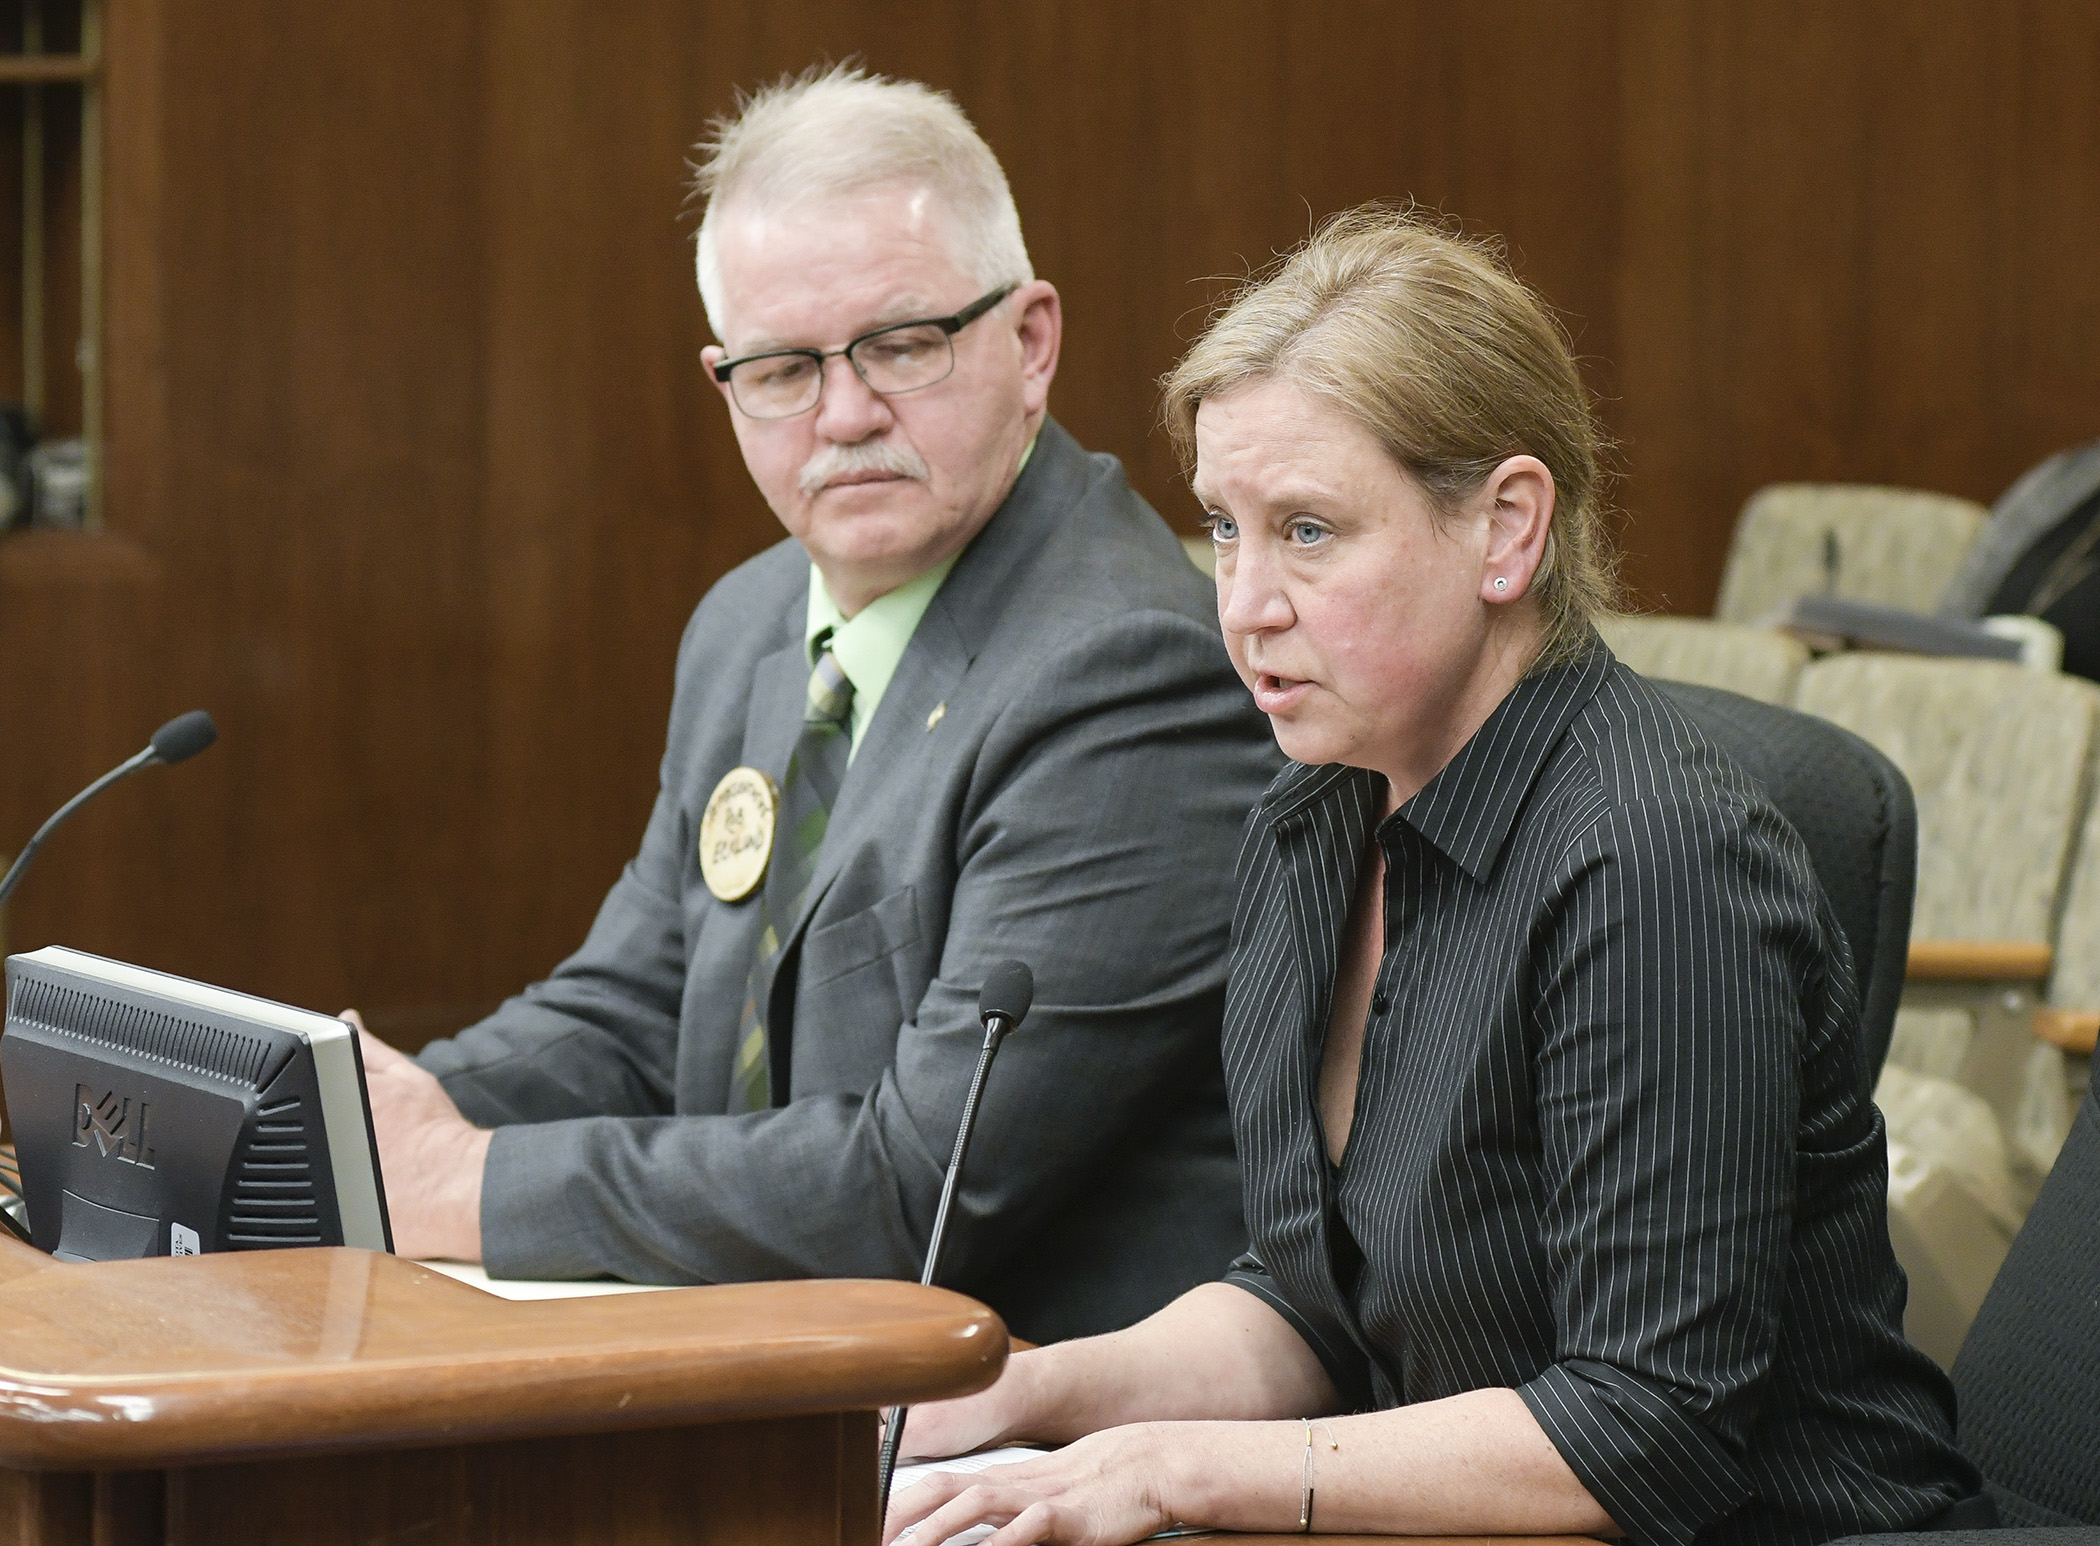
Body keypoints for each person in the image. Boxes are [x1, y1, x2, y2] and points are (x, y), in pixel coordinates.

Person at [885, 208, 1980, 1544]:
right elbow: (1312, 1306)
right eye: (1224, 528)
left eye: (1308, 532)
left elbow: (1643, 1432)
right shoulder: (1312, 815)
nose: (1244, 602)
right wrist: (1019, 1396)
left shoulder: (1655, 856)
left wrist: (1172, 1469)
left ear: (1507, 529)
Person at [348, 66, 1280, 1345]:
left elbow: (917, 1189)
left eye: (902, 345)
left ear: (1031, 341)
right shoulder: (750, 622)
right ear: (725, 382)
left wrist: (470, 1185)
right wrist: (354, 1121)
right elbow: (634, 1012)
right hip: (765, 1374)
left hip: (1018, 1442)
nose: (844, 414)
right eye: (784, 367)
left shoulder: (1126, 672)